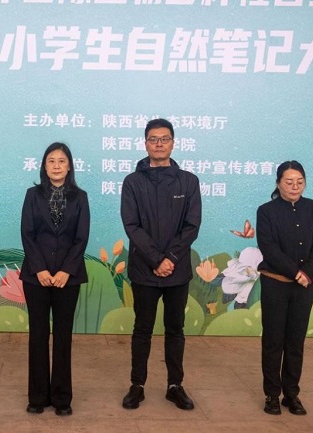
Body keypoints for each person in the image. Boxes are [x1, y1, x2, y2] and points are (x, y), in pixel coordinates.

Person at [120, 118, 201, 411]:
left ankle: (174, 385)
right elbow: (132, 225)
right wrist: (156, 259)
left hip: (177, 271)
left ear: (173, 143)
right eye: (153, 139)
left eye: (164, 139)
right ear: (145, 144)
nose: (159, 144)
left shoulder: (188, 181)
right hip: (145, 269)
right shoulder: (133, 182)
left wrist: (171, 259)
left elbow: (191, 226)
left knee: (175, 329)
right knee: (142, 329)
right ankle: (137, 385)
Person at [20, 142, 90, 416]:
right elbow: (27, 234)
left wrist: (65, 271)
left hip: (67, 278)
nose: (56, 166)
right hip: (35, 276)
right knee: (38, 335)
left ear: (69, 166)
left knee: (63, 336)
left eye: (61, 161)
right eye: (51, 161)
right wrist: (39, 269)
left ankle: (62, 398)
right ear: (44, 166)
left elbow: (81, 237)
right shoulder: (32, 195)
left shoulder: (80, 197)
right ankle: (37, 397)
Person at [256, 160, 313, 416]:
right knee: (273, 341)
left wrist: (307, 272)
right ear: (278, 184)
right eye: (289, 182)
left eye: (299, 182)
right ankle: (272, 395)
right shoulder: (266, 211)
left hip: (304, 286)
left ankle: (291, 394)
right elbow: (268, 247)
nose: (294, 186)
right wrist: (295, 273)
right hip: (275, 283)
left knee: (296, 341)